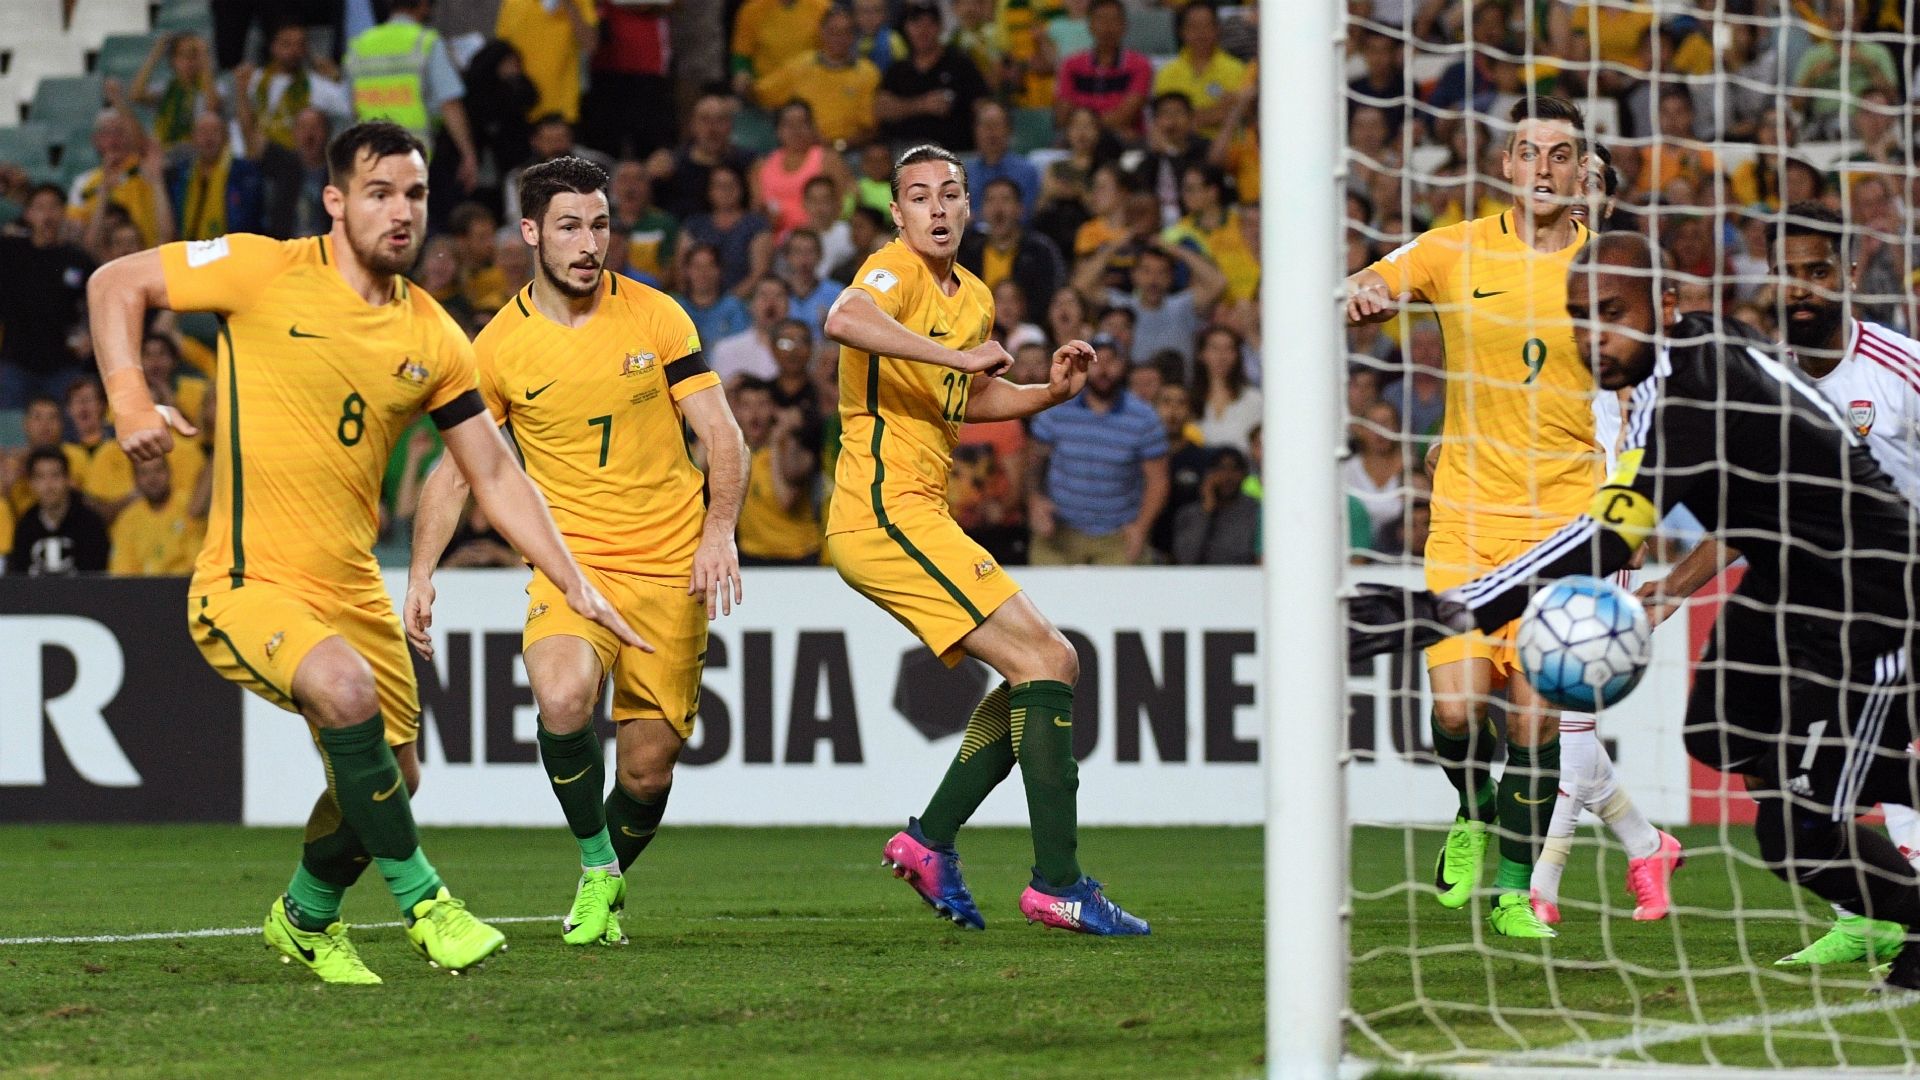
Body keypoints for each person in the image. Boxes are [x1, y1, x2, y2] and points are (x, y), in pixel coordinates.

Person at [85, 121, 641, 985]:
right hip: (247, 580)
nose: (401, 211)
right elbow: (116, 281)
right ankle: (427, 903)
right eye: (379, 192)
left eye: (415, 194)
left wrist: (575, 580)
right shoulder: (261, 267)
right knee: (344, 696)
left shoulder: (434, 338)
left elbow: (492, 474)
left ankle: (304, 917)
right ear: (336, 202)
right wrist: (129, 400)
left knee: (397, 775)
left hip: (351, 588)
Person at [1349, 230, 1920, 993]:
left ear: (1668, 305)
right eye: (1578, 316)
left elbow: (1600, 538)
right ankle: (1850, 779)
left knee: (1796, 837)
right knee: (1715, 733)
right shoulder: (1692, 356)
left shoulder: (1693, 395)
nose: (1593, 336)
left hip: (1872, 594)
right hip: (1785, 584)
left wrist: (1445, 613)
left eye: (1612, 313)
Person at [408, 155, 747, 947]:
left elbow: (722, 435)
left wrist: (718, 530)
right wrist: (421, 573)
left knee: (645, 772)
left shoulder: (658, 317)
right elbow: (459, 472)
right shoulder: (496, 348)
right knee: (561, 700)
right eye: (569, 226)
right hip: (572, 568)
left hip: (670, 569)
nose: (589, 242)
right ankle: (597, 867)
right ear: (530, 233)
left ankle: (609, 877)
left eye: (600, 224)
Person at [823, 144, 1148, 935]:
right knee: (1048, 661)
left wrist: (1048, 392)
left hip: (919, 509)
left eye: (950, 195)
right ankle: (1057, 882)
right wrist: (953, 354)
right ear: (896, 213)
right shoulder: (891, 270)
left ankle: (930, 840)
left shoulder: (972, 294)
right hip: (879, 510)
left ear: (969, 209)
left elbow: (963, 399)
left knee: (1047, 667)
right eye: (918, 196)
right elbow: (845, 319)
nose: (936, 208)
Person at [1343, 96, 1598, 939]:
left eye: (1560, 154)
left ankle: (1518, 891)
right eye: (1529, 151)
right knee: (1456, 711)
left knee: (1532, 714)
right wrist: (1369, 296)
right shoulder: (1455, 248)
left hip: (1563, 523)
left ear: (1582, 169)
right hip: (1465, 517)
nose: (1544, 167)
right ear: (1507, 166)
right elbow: (1374, 277)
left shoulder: (1613, 269)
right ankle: (1469, 805)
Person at [1640, 203, 1920, 965]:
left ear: (1852, 275)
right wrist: (1673, 585)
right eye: (1788, 273)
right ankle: (1862, 907)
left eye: (1819, 272)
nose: (1801, 289)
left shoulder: (1900, 368)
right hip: (1808, 589)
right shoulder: (1765, 377)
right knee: (1748, 742)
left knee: (1877, 749)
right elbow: (1755, 508)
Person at [1028, 336, 1169, 566]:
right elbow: (1033, 461)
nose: (1103, 369)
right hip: (1059, 531)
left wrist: (1141, 527)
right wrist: (1035, 500)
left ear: (1124, 366)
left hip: (1118, 535)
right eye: (1095, 361)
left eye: (1111, 361)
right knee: (1041, 597)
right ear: (1082, 365)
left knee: (1125, 599)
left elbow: (1158, 481)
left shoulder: (1144, 417)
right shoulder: (1057, 408)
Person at [342, 0, 481, 194]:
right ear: (423, 5)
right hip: (416, 157)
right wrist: (468, 154)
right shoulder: (425, 42)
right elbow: (449, 103)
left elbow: (351, 108)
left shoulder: (359, 45)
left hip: (372, 159)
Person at [0, 184, 94, 408]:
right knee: (8, 428)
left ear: (64, 212)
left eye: (54, 207)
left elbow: (98, 302)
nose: (47, 215)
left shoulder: (78, 260)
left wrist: (91, 335)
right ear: (28, 214)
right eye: (40, 208)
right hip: (16, 361)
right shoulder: (9, 251)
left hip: (63, 364)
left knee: (68, 430)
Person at [754, 6, 881, 149]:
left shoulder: (868, 73)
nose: (839, 38)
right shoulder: (800, 64)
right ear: (822, 32)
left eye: (845, 32)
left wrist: (836, 145)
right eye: (833, 32)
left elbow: (870, 129)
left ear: (853, 36)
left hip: (847, 151)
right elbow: (761, 93)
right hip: (801, 147)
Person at [875, 2, 993, 153]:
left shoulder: (960, 63)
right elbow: (881, 109)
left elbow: (982, 105)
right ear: (907, 28)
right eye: (916, 24)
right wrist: (921, 105)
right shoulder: (898, 69)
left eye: (929, 24)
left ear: (940, 27)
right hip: (905, 154)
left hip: (954, 153)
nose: (923, 31)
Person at [732, 375, 823, 565]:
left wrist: (776, 444)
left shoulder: (793, 448)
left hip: (798, 557)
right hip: (751, 556)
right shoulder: (732, 451)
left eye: (762, 404)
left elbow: (786, 500)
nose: (754, 413)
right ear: (736, 411)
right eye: (746, 405)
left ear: (774, 409)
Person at [958, 177, 1065, 323]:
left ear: (1020, 209)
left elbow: (1048, 300)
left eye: (1005, 199)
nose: (998, 208)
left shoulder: (1040, 251)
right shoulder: (968, 251)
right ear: (982, 210)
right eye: (991, 200)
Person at [753, 102, 852, 241]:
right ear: (778, 130)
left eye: (803, 123)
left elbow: (845, 199)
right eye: (789, 124)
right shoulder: (762, 165)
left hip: (821, 236)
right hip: (778, 241)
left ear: (812, 127)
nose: (796, 130)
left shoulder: (828, 159)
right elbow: (757, 208)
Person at [1053, 0, 1152, 138]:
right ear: (1090, 25)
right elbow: (1062, 117)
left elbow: (1126, 115)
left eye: (1113, 20)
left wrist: (1085, 127)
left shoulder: (1140, 65)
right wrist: (1085, 131)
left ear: (1124, 26)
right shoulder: (1070, 64)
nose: (1107, 27)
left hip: (1121, 141)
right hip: (1078, 140)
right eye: (1101, 19)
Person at [7, 447, 108, 576]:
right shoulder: (26, 525)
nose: (48, 485)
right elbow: (18, 578)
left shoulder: (90, 523)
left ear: (68, 479)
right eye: (40, 477)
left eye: (55, 475)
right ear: (31, 483)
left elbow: (97, 578)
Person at [1153, 2, 1249, 139]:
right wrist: (1219, 111)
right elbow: (1166, 120)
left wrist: (1188, 117)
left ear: (1217, 29)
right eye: (1193, 27)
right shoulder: (1167, 73)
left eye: (1206, 26)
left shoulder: (1237, 69)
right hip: (1181, 151)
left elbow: (1242, 112)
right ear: (1181, 31)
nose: (1200, 33)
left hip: (1226, 152)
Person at [495, 0, 599, 126]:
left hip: (560, 107)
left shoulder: (580, 2)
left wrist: (569, 6)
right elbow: (501, 49)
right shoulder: (512, 2)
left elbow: (590, 45)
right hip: (520, 105)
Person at [169, 112, 267, 241]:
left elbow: (250, 221)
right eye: (203, 131)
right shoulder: (181, 176)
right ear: (193, 138)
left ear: (226, 137)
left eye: (215, 131)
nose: (208, 137)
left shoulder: (245, 173)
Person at [684, 164, 774, 295]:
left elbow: (760, 272)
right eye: (719, 186)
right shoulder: (694, 225)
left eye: (731, 185)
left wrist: (728, 302)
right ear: (709, 191)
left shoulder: (757, 225)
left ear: (742, 189)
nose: (726, 191)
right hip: (698, 303)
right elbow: (682, 270)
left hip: (743, 301)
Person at [108, 454, 205, 575]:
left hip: (185, 587)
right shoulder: (128, 519)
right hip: (143, 590)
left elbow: (199, 565)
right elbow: (122, 574)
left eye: (158, 470)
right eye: (144, 473)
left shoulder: (190, 507)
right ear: (135, 479)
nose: (152, 478)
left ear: (169, 472)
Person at [1171, 446, 1257, 565]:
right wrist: (1206, 510)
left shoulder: (1255, 512)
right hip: (1199, 581)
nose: (1227, 477)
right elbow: (1185, 559)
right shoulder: (1188, 514)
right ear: (1208, 474)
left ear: (1244, 474)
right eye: (1220, 469)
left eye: (1235, 469)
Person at [729, 0, 832, 99]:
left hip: (809, 92)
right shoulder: (751, 10)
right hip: (765, 93)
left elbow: (831, 53)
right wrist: (742, 74)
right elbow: (741, 54)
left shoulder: (823, 8)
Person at [962, 101, 1040, 220]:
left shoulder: (1026, 171)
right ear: (976, 131)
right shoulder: (966, 173)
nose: (991, 132)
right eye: (986, 125)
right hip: (974, 236)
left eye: (996, 125)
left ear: (1009, 130)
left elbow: (1027, 215)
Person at [712, 275, 794, 383]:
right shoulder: (726, 350)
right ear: (751, 305)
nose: (771, 303)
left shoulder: (799, 350)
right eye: (763, 296)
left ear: (788, 306)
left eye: (778, 296)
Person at [1192, 325, 1260, 451]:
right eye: (1214, 348)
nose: (1221, 356)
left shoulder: (1254, 399)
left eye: (1229, 349)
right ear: (1201, 354)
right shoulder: (1188, 400)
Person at [675, 242, 752, 348]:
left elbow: (742, 346)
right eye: (697, 267)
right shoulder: (676, 309)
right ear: (687, 271)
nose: (703, 272)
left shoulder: (733, 307)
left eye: (709, 266)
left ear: (719, 270)